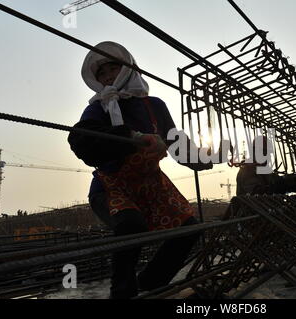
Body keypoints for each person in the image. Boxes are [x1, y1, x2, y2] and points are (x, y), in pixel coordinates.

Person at [68, 41, 212, 299]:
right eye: (102, 73)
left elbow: (177, 146)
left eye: (114, 68)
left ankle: (150, 282)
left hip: (151, 185)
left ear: (129, 69)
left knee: (189, 228)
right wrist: (129, 137)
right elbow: (81, 141)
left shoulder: (153, 105)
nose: (109, 76)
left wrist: (206, 158)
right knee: (131, 226)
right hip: (112, 186)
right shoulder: (98, 107)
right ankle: (122, 293)